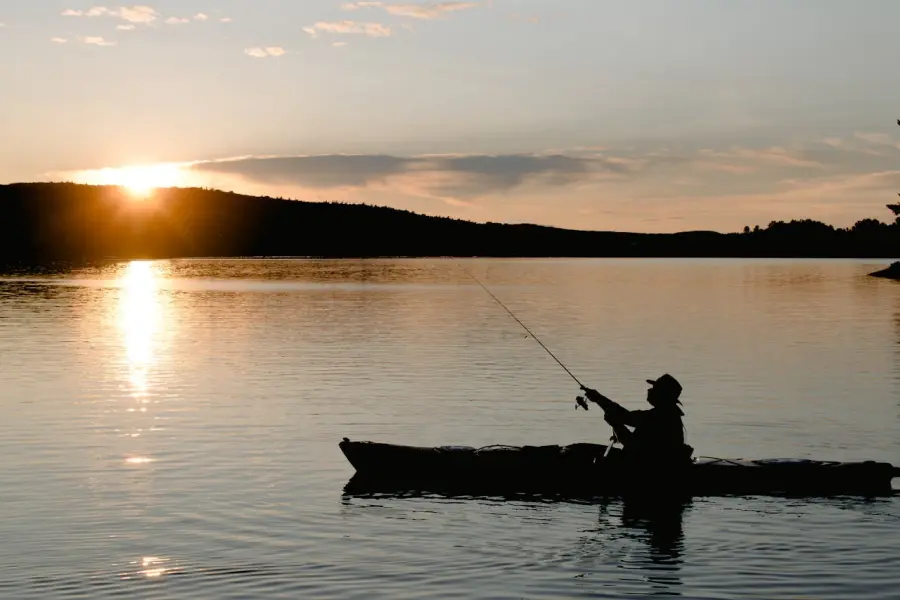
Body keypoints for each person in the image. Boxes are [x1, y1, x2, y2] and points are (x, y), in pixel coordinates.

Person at [580, 374, 693, 465]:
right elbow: (625, 416)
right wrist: (599, 398)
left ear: (662, 395)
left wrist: (616, 425)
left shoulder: (658, 418)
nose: (650, 390)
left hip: (649, 468)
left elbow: (632, 446)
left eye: (654, 389)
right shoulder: (665, 414)